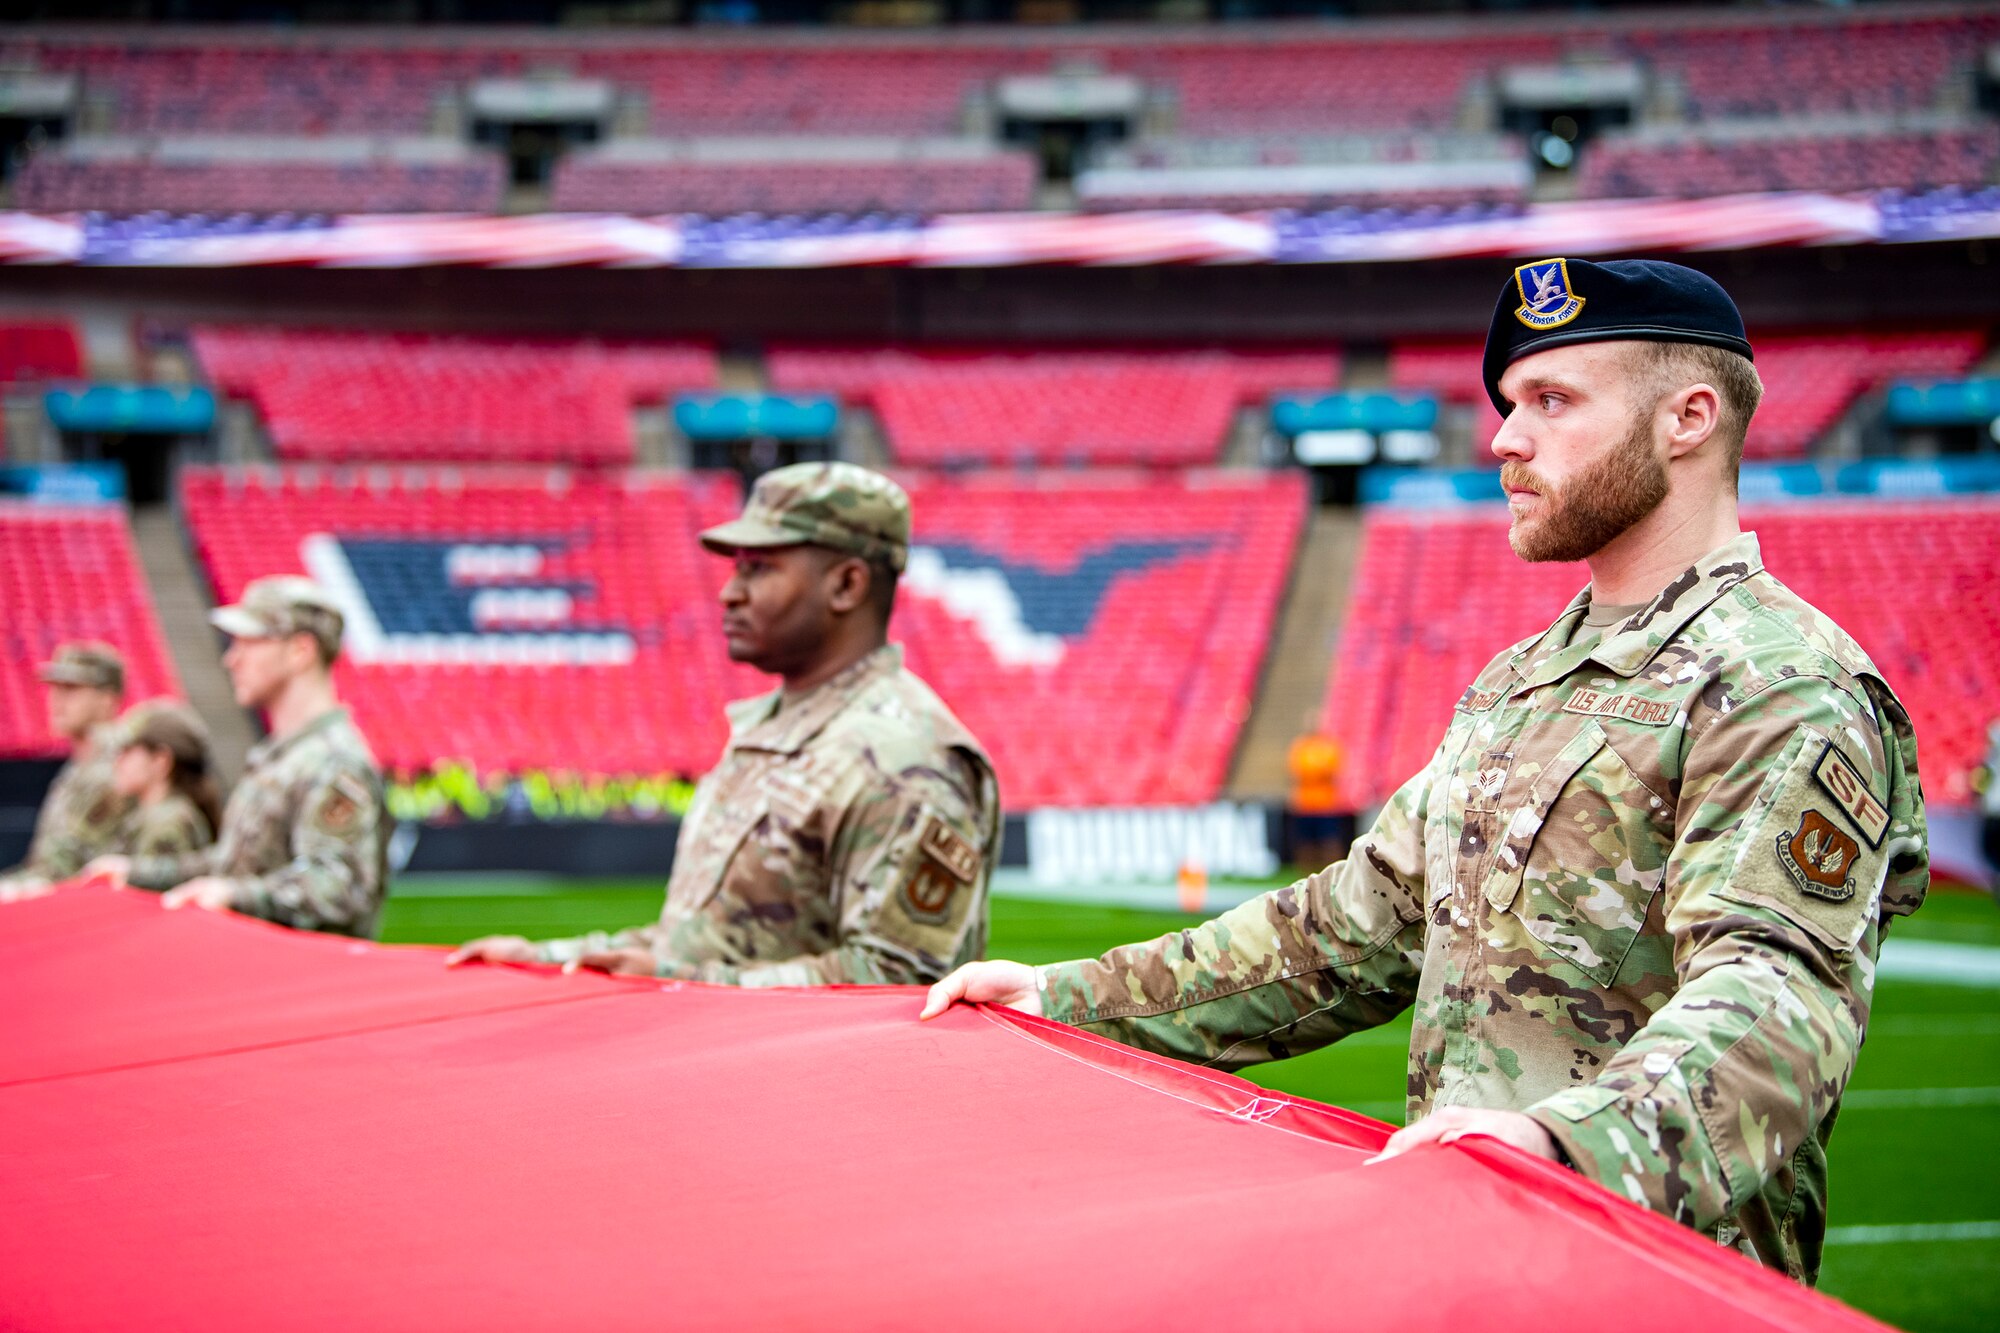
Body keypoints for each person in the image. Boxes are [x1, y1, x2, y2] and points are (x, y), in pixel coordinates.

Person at [923, 258, 1927, 1286]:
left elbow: (1775, 997)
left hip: (1645, 1281)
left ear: (1687, 418)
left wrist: (1562, 1149)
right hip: (1477, 1261)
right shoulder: (1519, 682)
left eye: (1551, 401)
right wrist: (1067, 996)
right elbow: (1351, 928)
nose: (1503, 437)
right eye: (1506, 405)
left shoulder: (1780, 680)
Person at [450, 461, 1000, 986]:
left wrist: (683, 983)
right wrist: (545, 960)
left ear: (847, 586)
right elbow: (695, 941)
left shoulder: (907, 754)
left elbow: (897, 983)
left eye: (760, 569)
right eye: (738, 567)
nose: (729, 592)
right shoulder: (777, 729)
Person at [88, 576, 388, 938]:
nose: (232, 659)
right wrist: (136, 873)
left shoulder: (334, 761)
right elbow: (231, 864)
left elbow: (338, 886)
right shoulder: (280, 756)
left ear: (300, 651)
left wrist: (234, 895)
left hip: (304, 981)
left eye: (250, 641)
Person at [0, 642, 131, 899]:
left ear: (107, 699)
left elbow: (64, 870)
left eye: (71, 689)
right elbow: (43, 866)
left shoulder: (117, 771)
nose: (56, 700)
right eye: (55, 688)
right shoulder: (77, 769)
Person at [106, 700, 223, 862]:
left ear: (161, 761)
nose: (118, 761)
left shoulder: (166, 822)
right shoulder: (160, 815)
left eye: (127, 751)